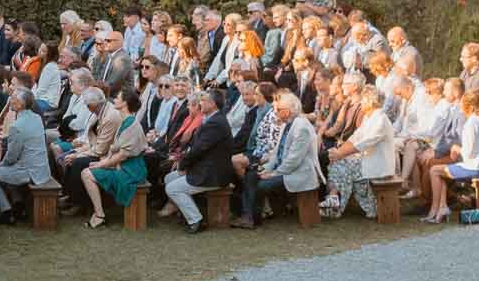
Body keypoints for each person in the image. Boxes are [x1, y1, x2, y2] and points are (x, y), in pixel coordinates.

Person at [233, 91, 322, 229]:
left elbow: (294, 160)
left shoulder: (301, 127)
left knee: (262, 185)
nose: (275, 112)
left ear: (287, 111)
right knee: (250, 175)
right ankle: (249, 217)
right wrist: (266, 168)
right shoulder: (288, 123)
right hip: (285, 169)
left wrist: (273, 173)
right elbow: (277, 153)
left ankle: (253, 218)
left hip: (299, 173)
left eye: (278, 110)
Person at [162, 87, 231, 233]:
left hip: (212, 174)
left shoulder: (215, 123)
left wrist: (182, 165)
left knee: (172, 188)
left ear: (212, 104)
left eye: (203, 100)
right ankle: (185, 213)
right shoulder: (212, 119)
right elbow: (197, 149)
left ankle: (196, 220)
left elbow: (198, 150)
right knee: (169, 178)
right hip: (204, 167)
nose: (200, 103)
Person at [321, 86, 395, 219]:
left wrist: (340, 154)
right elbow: (355, 138)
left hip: (379, 166)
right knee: (338, 163)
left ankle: (334, 201)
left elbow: (364, 143)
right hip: (367, 161)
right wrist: (338, 152)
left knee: (342, 165)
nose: (361, 103)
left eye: (363, 100)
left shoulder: (380, 119)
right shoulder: (370, 118)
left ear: (370, 101)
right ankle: (333, 198)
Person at [81, 88, 148, 229]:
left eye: (117, 97)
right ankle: (99, 214)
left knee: (87, 174)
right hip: (123, 167)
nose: (114, 100)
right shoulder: (125, 121)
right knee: (87, 171)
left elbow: (123, 154)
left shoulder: (131, 124)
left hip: (131, 171)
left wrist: (102, 164)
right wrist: (103, 162)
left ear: (124, 103)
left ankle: (99, 215)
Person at [424, 91, 479, 223]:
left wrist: (456, 148)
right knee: (440, 171)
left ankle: (435, 209)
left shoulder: (471, 124)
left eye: (463, 106)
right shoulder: (478, 121)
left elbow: (468, 153)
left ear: (470, 107)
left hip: (475, 168)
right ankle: (441, 207)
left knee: (434, 170)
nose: (461, 109)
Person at [0, 88, 52, 224]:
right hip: (41, 169)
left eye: (14, 97)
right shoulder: (36, 117)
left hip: (30, 172)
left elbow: (11, 157)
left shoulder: (17, 126)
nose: (10, 99)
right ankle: (18, 205)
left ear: (21, 104)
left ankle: (6, 212)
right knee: (7, 171)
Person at [56, 88, 120, 215]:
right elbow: (93, 142)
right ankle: (70, 196)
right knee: (70, 158)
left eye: (86, 105)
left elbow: (101, 149)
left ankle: (79, 204)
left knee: (77, 162)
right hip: (99, 151)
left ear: (91, 105)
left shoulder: (110, 117)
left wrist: (78, 155)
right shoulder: (99, 111)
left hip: (109, 156)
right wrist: (77, 152)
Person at [90, 25, 133, 91]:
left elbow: (113, 83)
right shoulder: (109, 55)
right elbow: (101, 77)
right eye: (105, 40)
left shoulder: (122, 59)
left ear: (119, 42)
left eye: (109, 41)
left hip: (117, 97)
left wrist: (96, 88)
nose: (105, 43)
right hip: (106, 93)